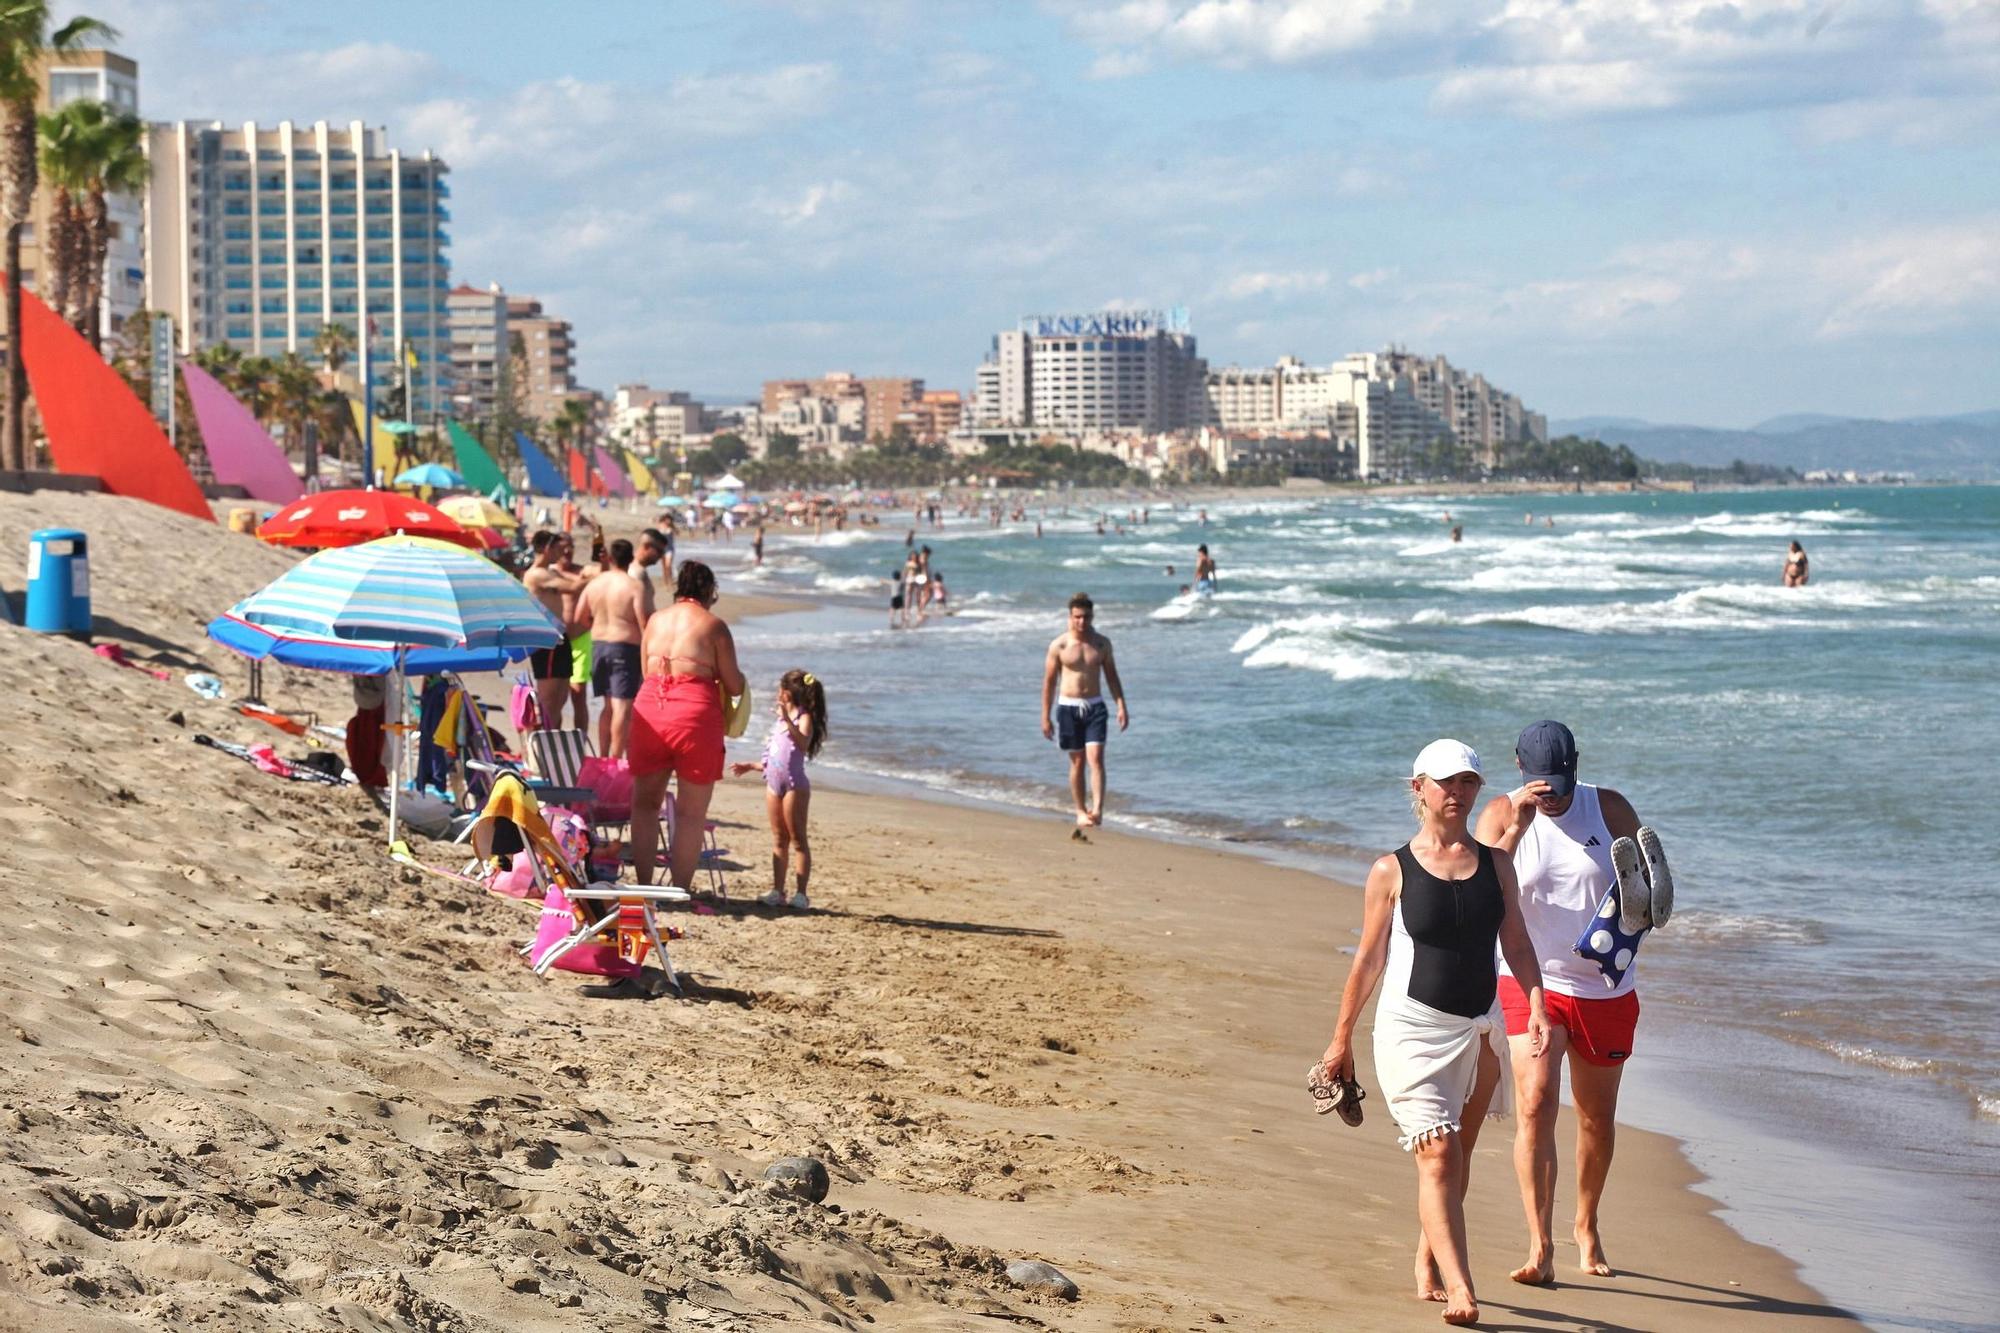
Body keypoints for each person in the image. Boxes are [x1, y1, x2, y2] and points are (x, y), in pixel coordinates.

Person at [1318, 740, 1548, 1327]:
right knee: (1440, 1155)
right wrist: (1340, 1040)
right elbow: (1368, 960)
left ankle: (1426, 1256)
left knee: (1456, 1157)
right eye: (1447, 782)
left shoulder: (1497, 864)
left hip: (1479, 1029)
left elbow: (1516, 943)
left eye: (1469, 782)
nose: (1459, 792)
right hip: (1411, 1030)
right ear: (1418, 787)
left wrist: (1538, 1006)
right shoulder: (1391, 870)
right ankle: (1461, 1286)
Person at [1473, 720, 1644, 1285]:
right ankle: (1539, 1246)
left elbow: (1650, 894)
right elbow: (1475, 889)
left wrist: (1632, 921)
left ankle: (1586, 1224)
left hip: (1603, 987)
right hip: (1529, 981)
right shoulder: (1502, 814)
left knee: (1596, 1118)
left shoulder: (1611, 810)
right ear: (1521, 769)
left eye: (1562, 784)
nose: (1555, 796)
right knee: (1535, 1103)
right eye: (1544, 785)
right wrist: (1517, 830)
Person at [629, 560, 744, 892]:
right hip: (694, 716)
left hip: (650, 709)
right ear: (709, 592)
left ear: (679, 588)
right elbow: (734, 686)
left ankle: (644, 883)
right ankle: (680, 888)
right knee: (691, 813)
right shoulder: (714, 625)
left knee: (644, 804)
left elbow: (646, 672)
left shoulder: (654, 621)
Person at [731, 669, 828, 911]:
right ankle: (777, 890)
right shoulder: (779, 721)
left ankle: (801, 894)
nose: (777, 693)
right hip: (773, 784)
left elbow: (803, 744)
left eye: (779, 689)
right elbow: (776, 755)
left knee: (797, 840)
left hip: (795, 786)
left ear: (788, 693)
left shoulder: (802, 717)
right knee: (778, 839)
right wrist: (751, 766)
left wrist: (786, 719)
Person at [1039, 592, 1129, 837]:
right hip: (1068, 707)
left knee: (1096, 758)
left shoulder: (1101, 644)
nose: (1082, 622)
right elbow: (1048, 683)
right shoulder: (1059, 645)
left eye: (1086, 617)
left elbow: (1112, 676)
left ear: (1092, 616)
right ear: (1070, 616)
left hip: (1095, 706)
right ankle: (1080, 810)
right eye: (1077, 617)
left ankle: (1098, 809)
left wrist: (1121, 705)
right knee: (1077, 762)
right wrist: (1045, 716)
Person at [576, 538, 647, 759]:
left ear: (610, 558)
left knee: (607, 705)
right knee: (622, 707)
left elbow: (580, 617)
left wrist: (597, 626)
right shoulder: (634, 586)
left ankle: (604, 756)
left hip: (598, 645)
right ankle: (615, 760)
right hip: (624, 648)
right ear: (631, 558)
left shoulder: (595, 584)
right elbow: (644, 622)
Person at [523, 531, 588, 728]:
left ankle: (553, 743)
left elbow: (580, 577)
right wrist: (604, 578)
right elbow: (575, 587)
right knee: (548, 699)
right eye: (556, 548)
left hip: (561, 638)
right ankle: (540, 746)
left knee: (561, 697)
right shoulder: (536, 574)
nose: (560, 552)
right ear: (546, 548)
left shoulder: (551, 571)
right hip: (546, 640)